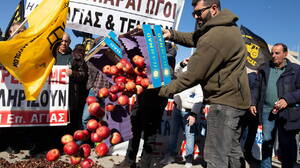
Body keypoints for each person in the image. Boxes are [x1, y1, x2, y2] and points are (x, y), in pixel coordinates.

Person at [158, 0, 251, 167]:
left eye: (199, 13)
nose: (195, 17)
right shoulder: (225, 28)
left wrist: (161, 90)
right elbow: (195, 38)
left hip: (224, 103)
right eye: (193, 13)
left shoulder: (216, 36)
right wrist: (171, 34)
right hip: (237, 101)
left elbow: (192, 76)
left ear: (214, 9)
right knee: (232, 152)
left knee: (215, 156)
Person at [115, 41, 177, 168]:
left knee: (150, 134)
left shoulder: (168, 56)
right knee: (134, 131)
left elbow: (168, 76)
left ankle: (144, 164)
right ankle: (129, 161)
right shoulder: (146, 53)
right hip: (142, 97)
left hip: (157, 100)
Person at [250, 43, 300, 168]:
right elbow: (256, 87)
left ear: (285, 54)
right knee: (267, 143)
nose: (273, 56)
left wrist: (287, 99)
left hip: (287, 113)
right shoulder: (264, 68)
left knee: (286, 145)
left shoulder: (296, 69)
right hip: (267, 111)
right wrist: (252, 102)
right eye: (272, 53)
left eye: (277, 53)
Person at [160, 58, 203, 168]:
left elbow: (199, 99)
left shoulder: (196, 82)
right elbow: (176, 71)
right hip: (177, 109)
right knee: (173, 134)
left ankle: (189, 159)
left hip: (189, 113)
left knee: (189, 136)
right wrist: (183, 63)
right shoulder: (182, 75)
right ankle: (170, 156)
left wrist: (193, 114)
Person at [68, 44, 89, 132]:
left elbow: (83, 75)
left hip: (74, 92)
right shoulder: (79, 58)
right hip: (76, 92)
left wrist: (73, 73)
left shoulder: (77, 58)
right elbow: (84, 75)